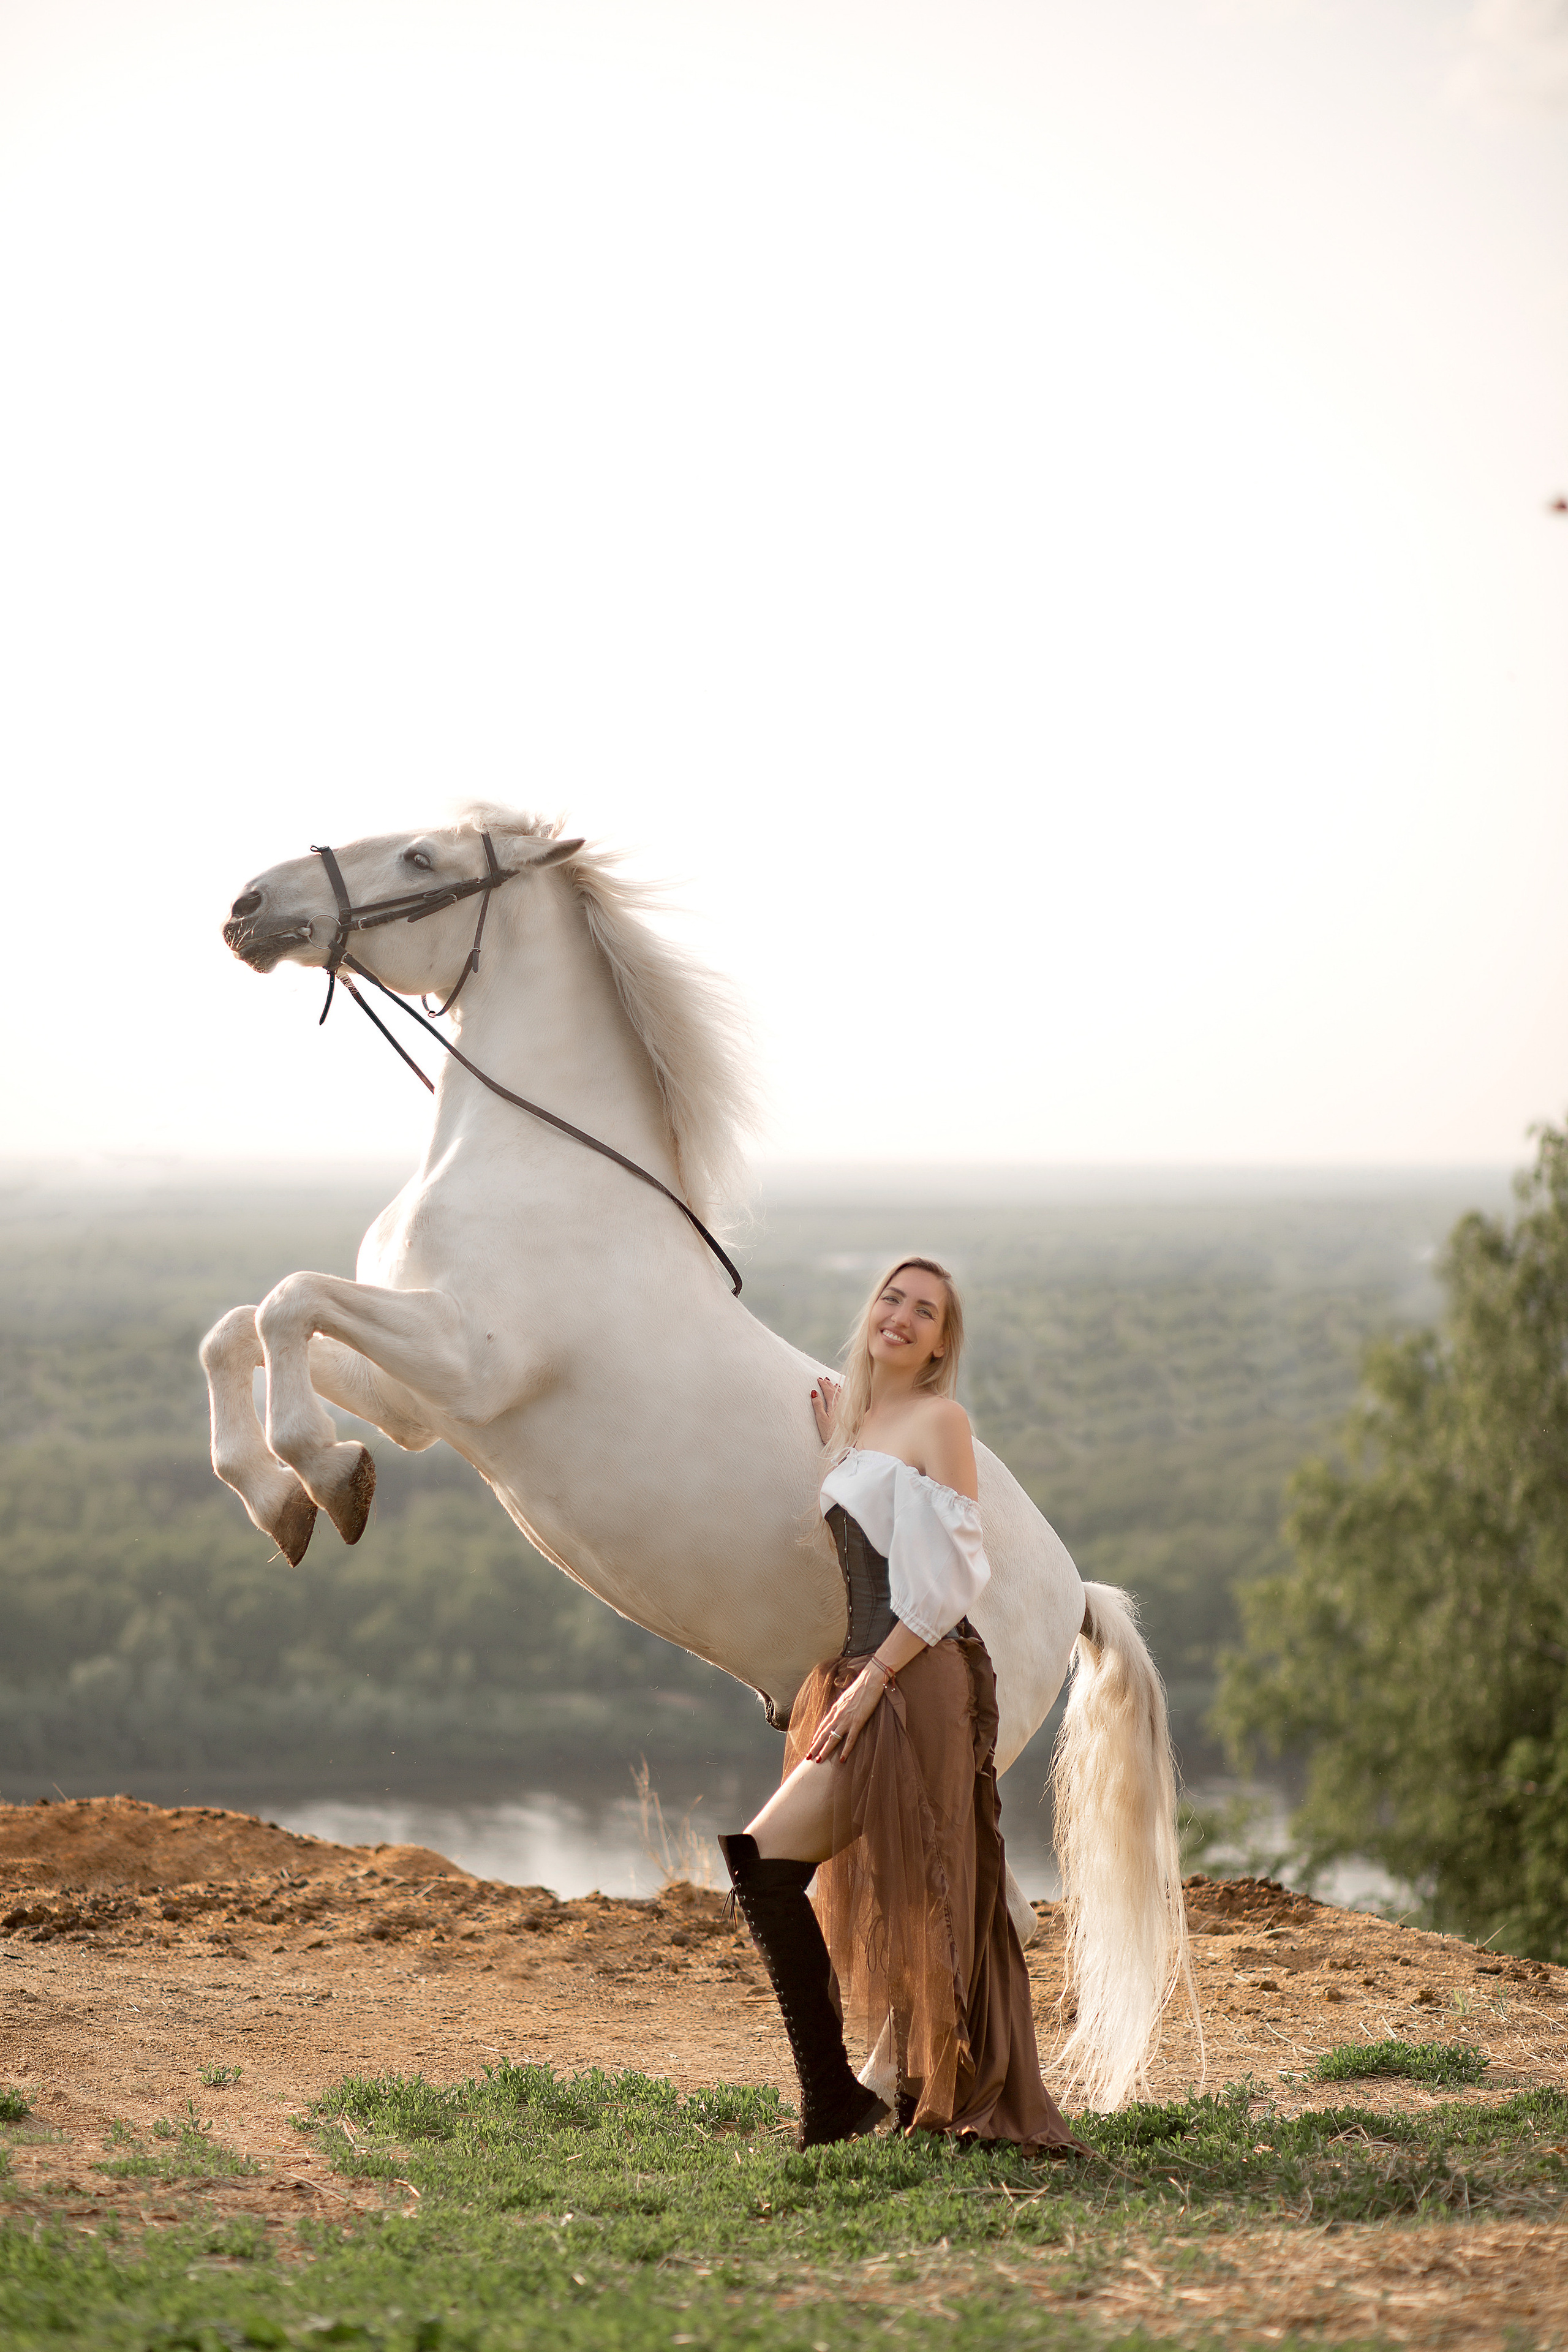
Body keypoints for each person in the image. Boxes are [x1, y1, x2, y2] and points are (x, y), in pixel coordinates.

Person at [718, 1256, 1080, 2155]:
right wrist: (838, 1452)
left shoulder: (941, 1420)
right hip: (869, 1670)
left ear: (942, 1343)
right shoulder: (863, 1424)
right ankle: (844, 2096)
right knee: (806, 1873)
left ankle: (844, 2099)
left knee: (798, 1868)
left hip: (913, 1675)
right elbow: (885, 1517)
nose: (903, 1317)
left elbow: (954, 1573)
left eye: (926, 1311)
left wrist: (874, 1681)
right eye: (892, 1299)